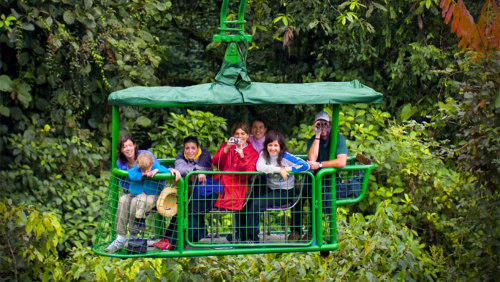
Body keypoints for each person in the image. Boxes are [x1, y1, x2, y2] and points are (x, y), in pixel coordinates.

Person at [106, 136, 181, 253]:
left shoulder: (146, 156)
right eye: (124, 147)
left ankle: (133, 234)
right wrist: (142, 175)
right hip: (134, 191)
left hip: (149, 194)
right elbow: (129, 176)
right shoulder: (124, 163)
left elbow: (162, 168)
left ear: (135, 146)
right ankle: (120, 236)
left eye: (130, 145)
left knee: (136, 202)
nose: (128, 149)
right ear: (121, 150)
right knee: (123, 200)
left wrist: (158, 171)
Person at [289, 111, 348, 241]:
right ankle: (295, 230)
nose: (323, 127)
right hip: (313, 177)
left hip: (328, 180)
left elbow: (342, 162)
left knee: (314, 197)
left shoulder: (338, 139)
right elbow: (312, 158)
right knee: (298, 195)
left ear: (330, 124)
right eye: (319, 124)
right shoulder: (313, 140)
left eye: (325, 124)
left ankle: (312, 230)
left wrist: (320, 165)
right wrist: (317, 135)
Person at [155, 136, 221, 250]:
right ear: (184, 149)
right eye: (187, 148)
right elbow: (181, 169)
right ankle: (168, 238)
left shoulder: (204, 155)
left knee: (191, 212)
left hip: (205, 193)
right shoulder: (182, 155)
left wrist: (195, 171)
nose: (190, 151)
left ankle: (175, 243)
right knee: (181, 209)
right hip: (192, 192)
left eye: (193, 148)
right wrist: (196, 171)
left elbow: (200, 168)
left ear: (198, 148)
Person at [244, 130, 309, 242]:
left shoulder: (286, 156)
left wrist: (288, 169)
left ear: (280, 146)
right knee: (247, 200)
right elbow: (260, 167)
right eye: (270, 145)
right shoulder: (264, 155)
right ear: (266, 146)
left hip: (285, 191)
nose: (273, 148)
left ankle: (251, 238)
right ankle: (243, 234)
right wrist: (279, 170)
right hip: (270, 188)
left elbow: (305, 166)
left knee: (257, 203)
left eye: (275, 145)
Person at [212, 121, 259, 241]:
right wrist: (226, 149)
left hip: (237, 185)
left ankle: (240, 235)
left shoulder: (252, 152)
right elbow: (216, 162)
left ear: (248, 135)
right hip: (221, 183)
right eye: (237, 134)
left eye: (243, 133)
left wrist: (242, 157)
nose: (240, 137)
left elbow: (248, 173)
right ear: (233, 135)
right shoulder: (226, 146)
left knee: (240, 203)